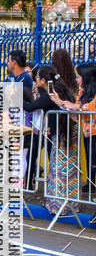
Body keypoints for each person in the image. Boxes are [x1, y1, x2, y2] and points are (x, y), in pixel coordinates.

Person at [23, 65, 78, 210]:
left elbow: (30, 107)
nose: (35, 80)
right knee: (69, 170)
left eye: (37, 77)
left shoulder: (51, 95)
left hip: (60, 136)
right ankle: (70, 204)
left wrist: (13, 99)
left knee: (57, 170)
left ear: (42, 80)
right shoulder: (63, 90)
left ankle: (57, 205)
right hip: (69, 135)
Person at [52, 62, 96, 198]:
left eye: (79, 77)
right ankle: (91, 184)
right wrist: (61, 103)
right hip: (88, 133)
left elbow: (91, 107)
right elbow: (76, 109)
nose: (76, 80)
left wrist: (77, 107)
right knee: (91, 161)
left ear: (87, 77)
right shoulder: (83, 92)